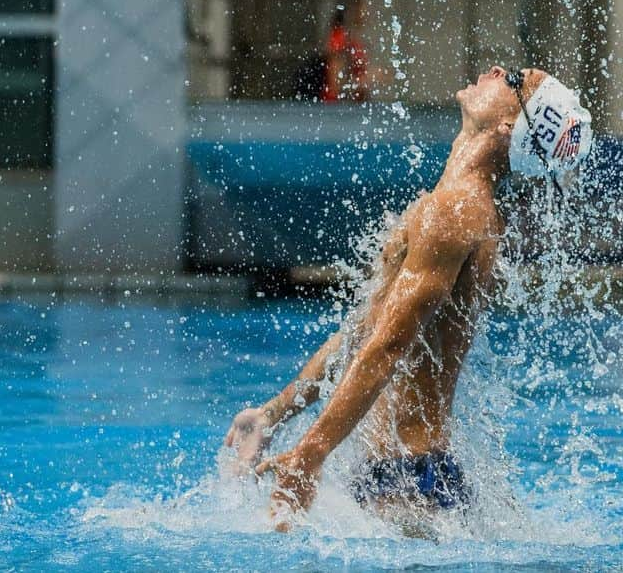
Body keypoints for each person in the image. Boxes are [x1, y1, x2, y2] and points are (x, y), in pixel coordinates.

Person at [224, 65, 593, 530]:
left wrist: (310, 454)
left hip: (406, 484)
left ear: (509, 126)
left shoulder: (457, 210)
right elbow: (370, 326)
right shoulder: (450, 204)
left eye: (514, 79)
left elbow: (390, 346)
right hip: (399, 478)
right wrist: (275, 412)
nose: (498, 69)